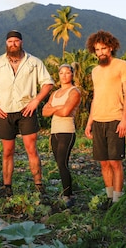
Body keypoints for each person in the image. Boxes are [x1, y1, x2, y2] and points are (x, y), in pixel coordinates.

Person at [0, 30, 54, 197]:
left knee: (31, 149)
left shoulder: (34, 62)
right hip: (5, 112)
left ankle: (38, 184)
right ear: (6, 44)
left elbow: (47, 83)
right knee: (7, 151)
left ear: (21, 42)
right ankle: (7, 186)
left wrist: (35, 101)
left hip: (26, 110)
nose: (13, 44)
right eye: (10, 42)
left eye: (16, 41)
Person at [84, 30, 126, 207]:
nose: (100, 53)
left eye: (103, 48)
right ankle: (109, 197)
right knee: (104, 163)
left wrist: (125, 119)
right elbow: (96, 97)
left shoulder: (122, 65)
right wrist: (89, 122)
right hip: (98, 120)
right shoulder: (95, 71)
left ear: (111, 47)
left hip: (115, 119)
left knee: (115, 162)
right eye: (97, 50)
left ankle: (118, 201)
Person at [42, 64, 81, 208]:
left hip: (67, 131)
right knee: (59, 163)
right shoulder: (55, 93)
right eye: (61, 73)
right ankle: (67, 190)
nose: (64, 75)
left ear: (72, 75)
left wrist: (53, 108)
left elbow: (66, 112)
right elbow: (44, 111)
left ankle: (68, 195)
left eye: (67, 73)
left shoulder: (74, 92)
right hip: (54, 132)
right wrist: (60, 107)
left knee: (62, 163)